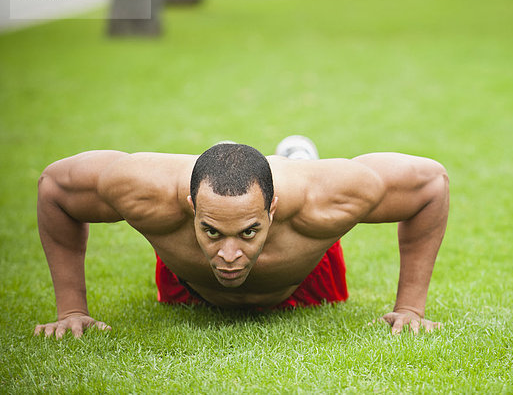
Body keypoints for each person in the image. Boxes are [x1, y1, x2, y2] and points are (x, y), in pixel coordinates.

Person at [34, 136, 449, 339]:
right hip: (190, 279)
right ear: (191, 207)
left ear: (273, 210)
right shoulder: (146, 192)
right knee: (219, 204)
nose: (229, 254)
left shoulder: (325, 198)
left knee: (295, 182)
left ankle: (296, 160)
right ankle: (222, 162)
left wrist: (410, 307)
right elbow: (55, 187)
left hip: (300, 273)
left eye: (249, 232)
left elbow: (431, 184)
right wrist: (71, 311)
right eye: (212, 232)